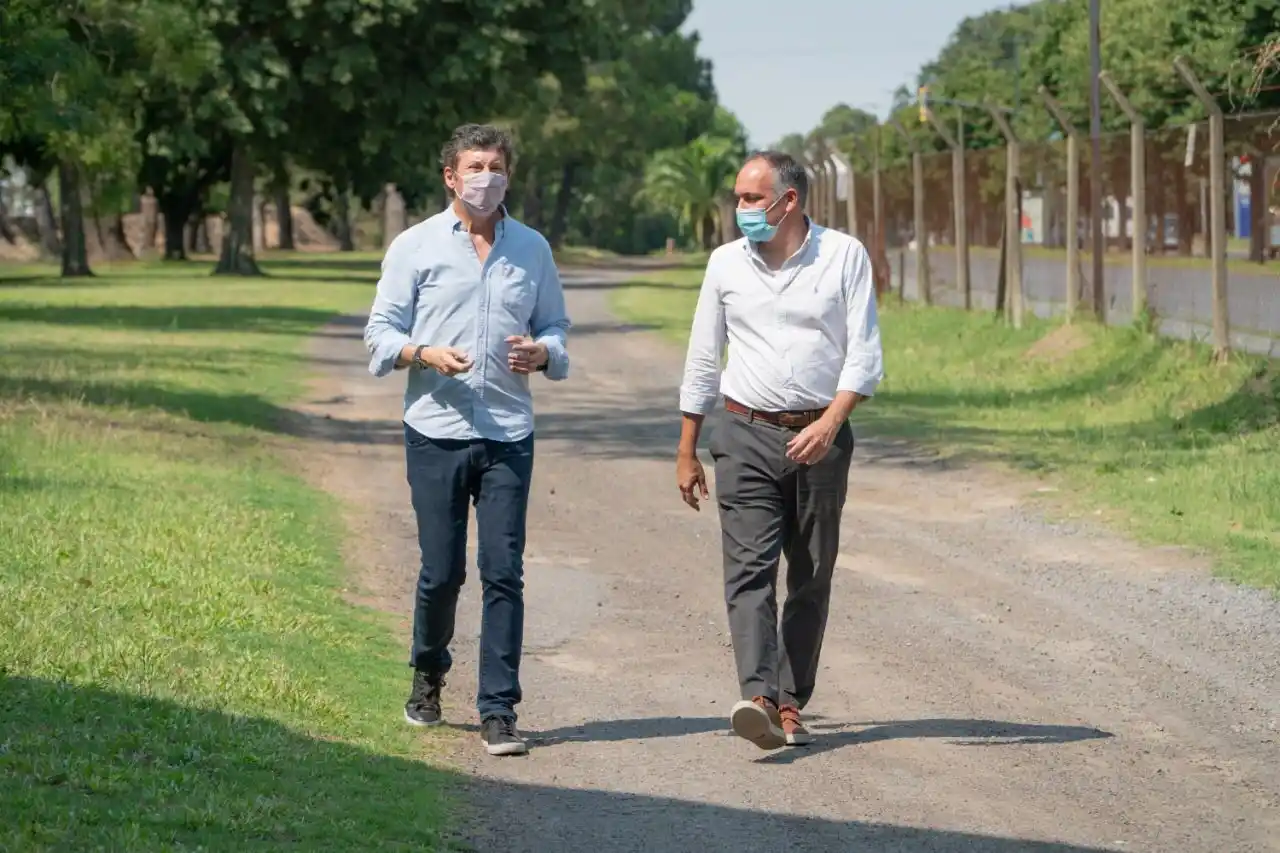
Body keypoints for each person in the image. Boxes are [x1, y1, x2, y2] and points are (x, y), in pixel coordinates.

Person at [363, 123, 571, 757]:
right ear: (451, 176)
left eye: (497, 165)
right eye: (475, 166)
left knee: (503, 571)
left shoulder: (532, 248)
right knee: (441, 571)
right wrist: (422, 353)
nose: (487, 177)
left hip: (509, 432)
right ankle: (428, 674)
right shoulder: (415, 246)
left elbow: (557, 328)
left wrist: (543, 352)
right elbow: (379, 335)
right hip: (437, 431)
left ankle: (498, 710)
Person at [675, 150, 884, 751]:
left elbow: (863, 353)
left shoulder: (843, 256)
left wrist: (831, 422)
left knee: (811, 572)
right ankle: (760, 696)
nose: (739, 209)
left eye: (749, 198)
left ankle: (793, 700)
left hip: (821, 435)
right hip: (742, 432)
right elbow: (701, 358)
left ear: (787, 201)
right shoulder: (724, 265)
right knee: (748, 572)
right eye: (737, 197)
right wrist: (688, 447)